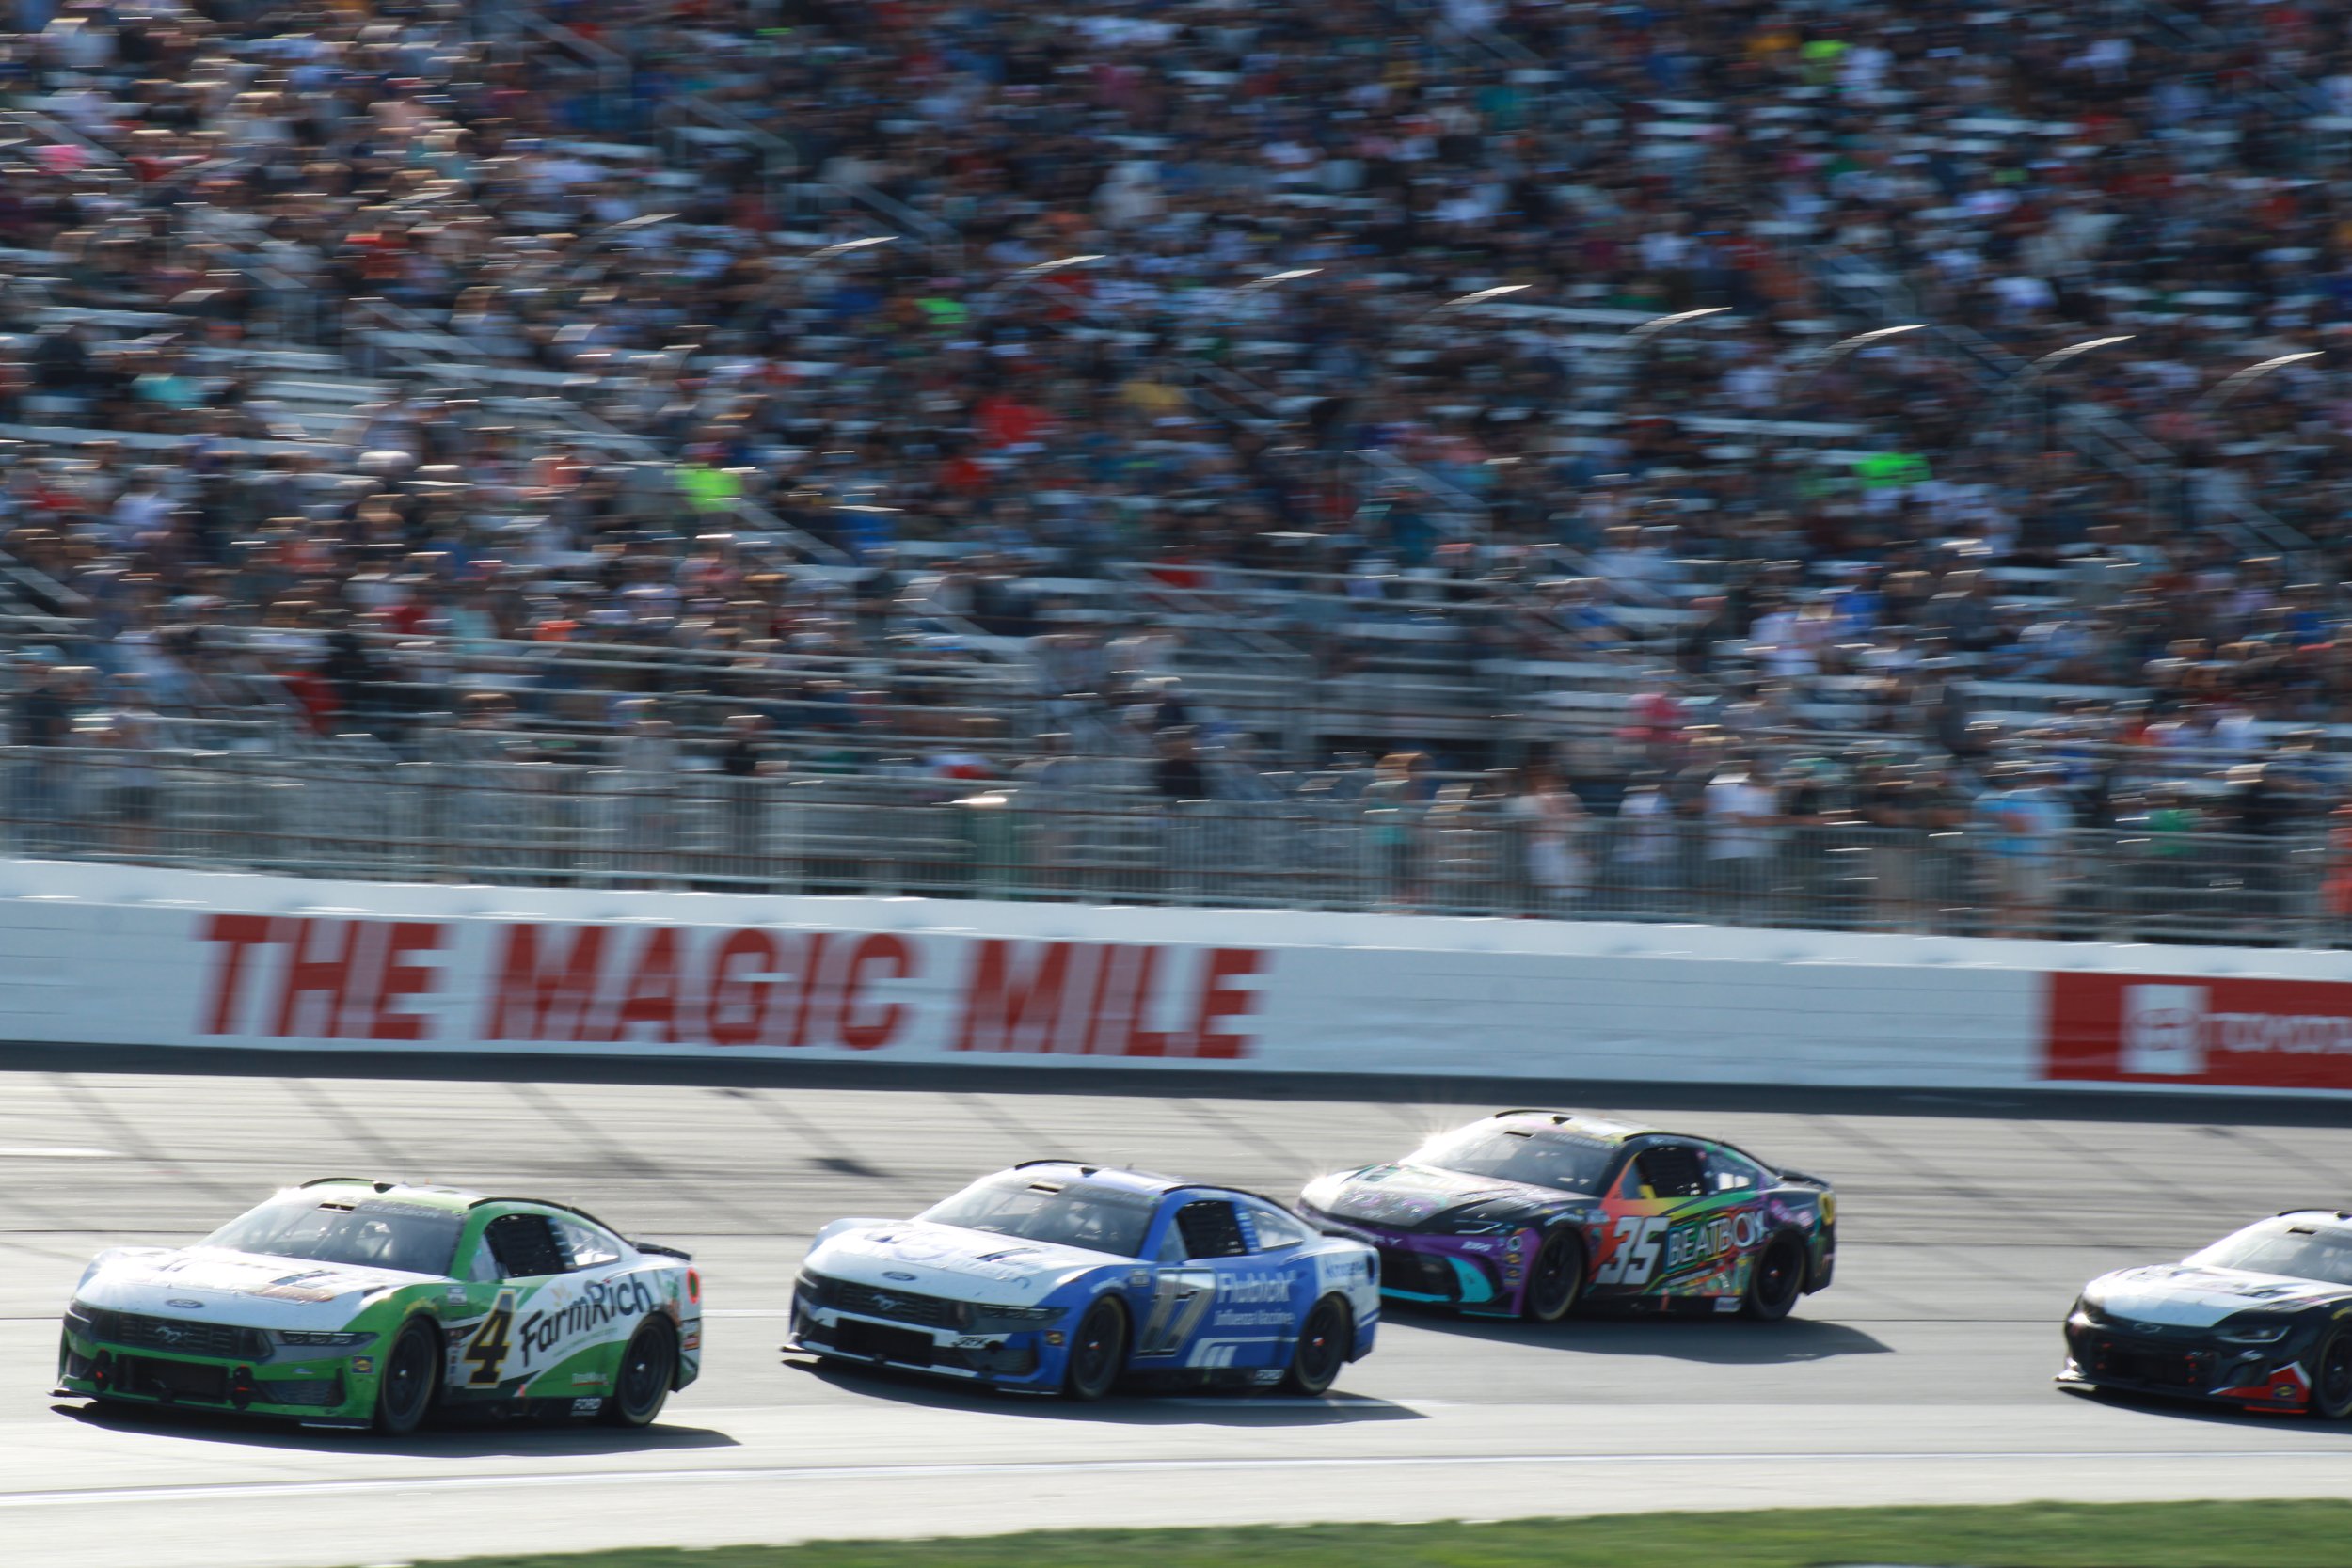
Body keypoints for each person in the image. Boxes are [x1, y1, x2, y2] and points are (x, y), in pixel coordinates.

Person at [1505, 763, 1589, 914]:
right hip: (1545, 849)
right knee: (1550, 888)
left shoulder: (1561, 798)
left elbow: (1574, 822)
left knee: (1558, 889)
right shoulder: (1539, 799)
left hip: (1554, 848)